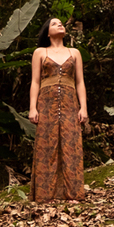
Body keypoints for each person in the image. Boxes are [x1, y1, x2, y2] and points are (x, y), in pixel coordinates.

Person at [28, 14, 87, 202]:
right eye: (55, 24)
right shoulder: (39, 52)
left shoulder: (74, 52)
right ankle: (45, 195)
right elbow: (35, 82)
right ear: (47, 32)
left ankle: (73, 193)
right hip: (46, 103)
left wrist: (83, 108)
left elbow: (80, 82)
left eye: (61, 23)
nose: (60, 25)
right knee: (46, 144)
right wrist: (33, 108)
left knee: (71, 144)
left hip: (70, 103)